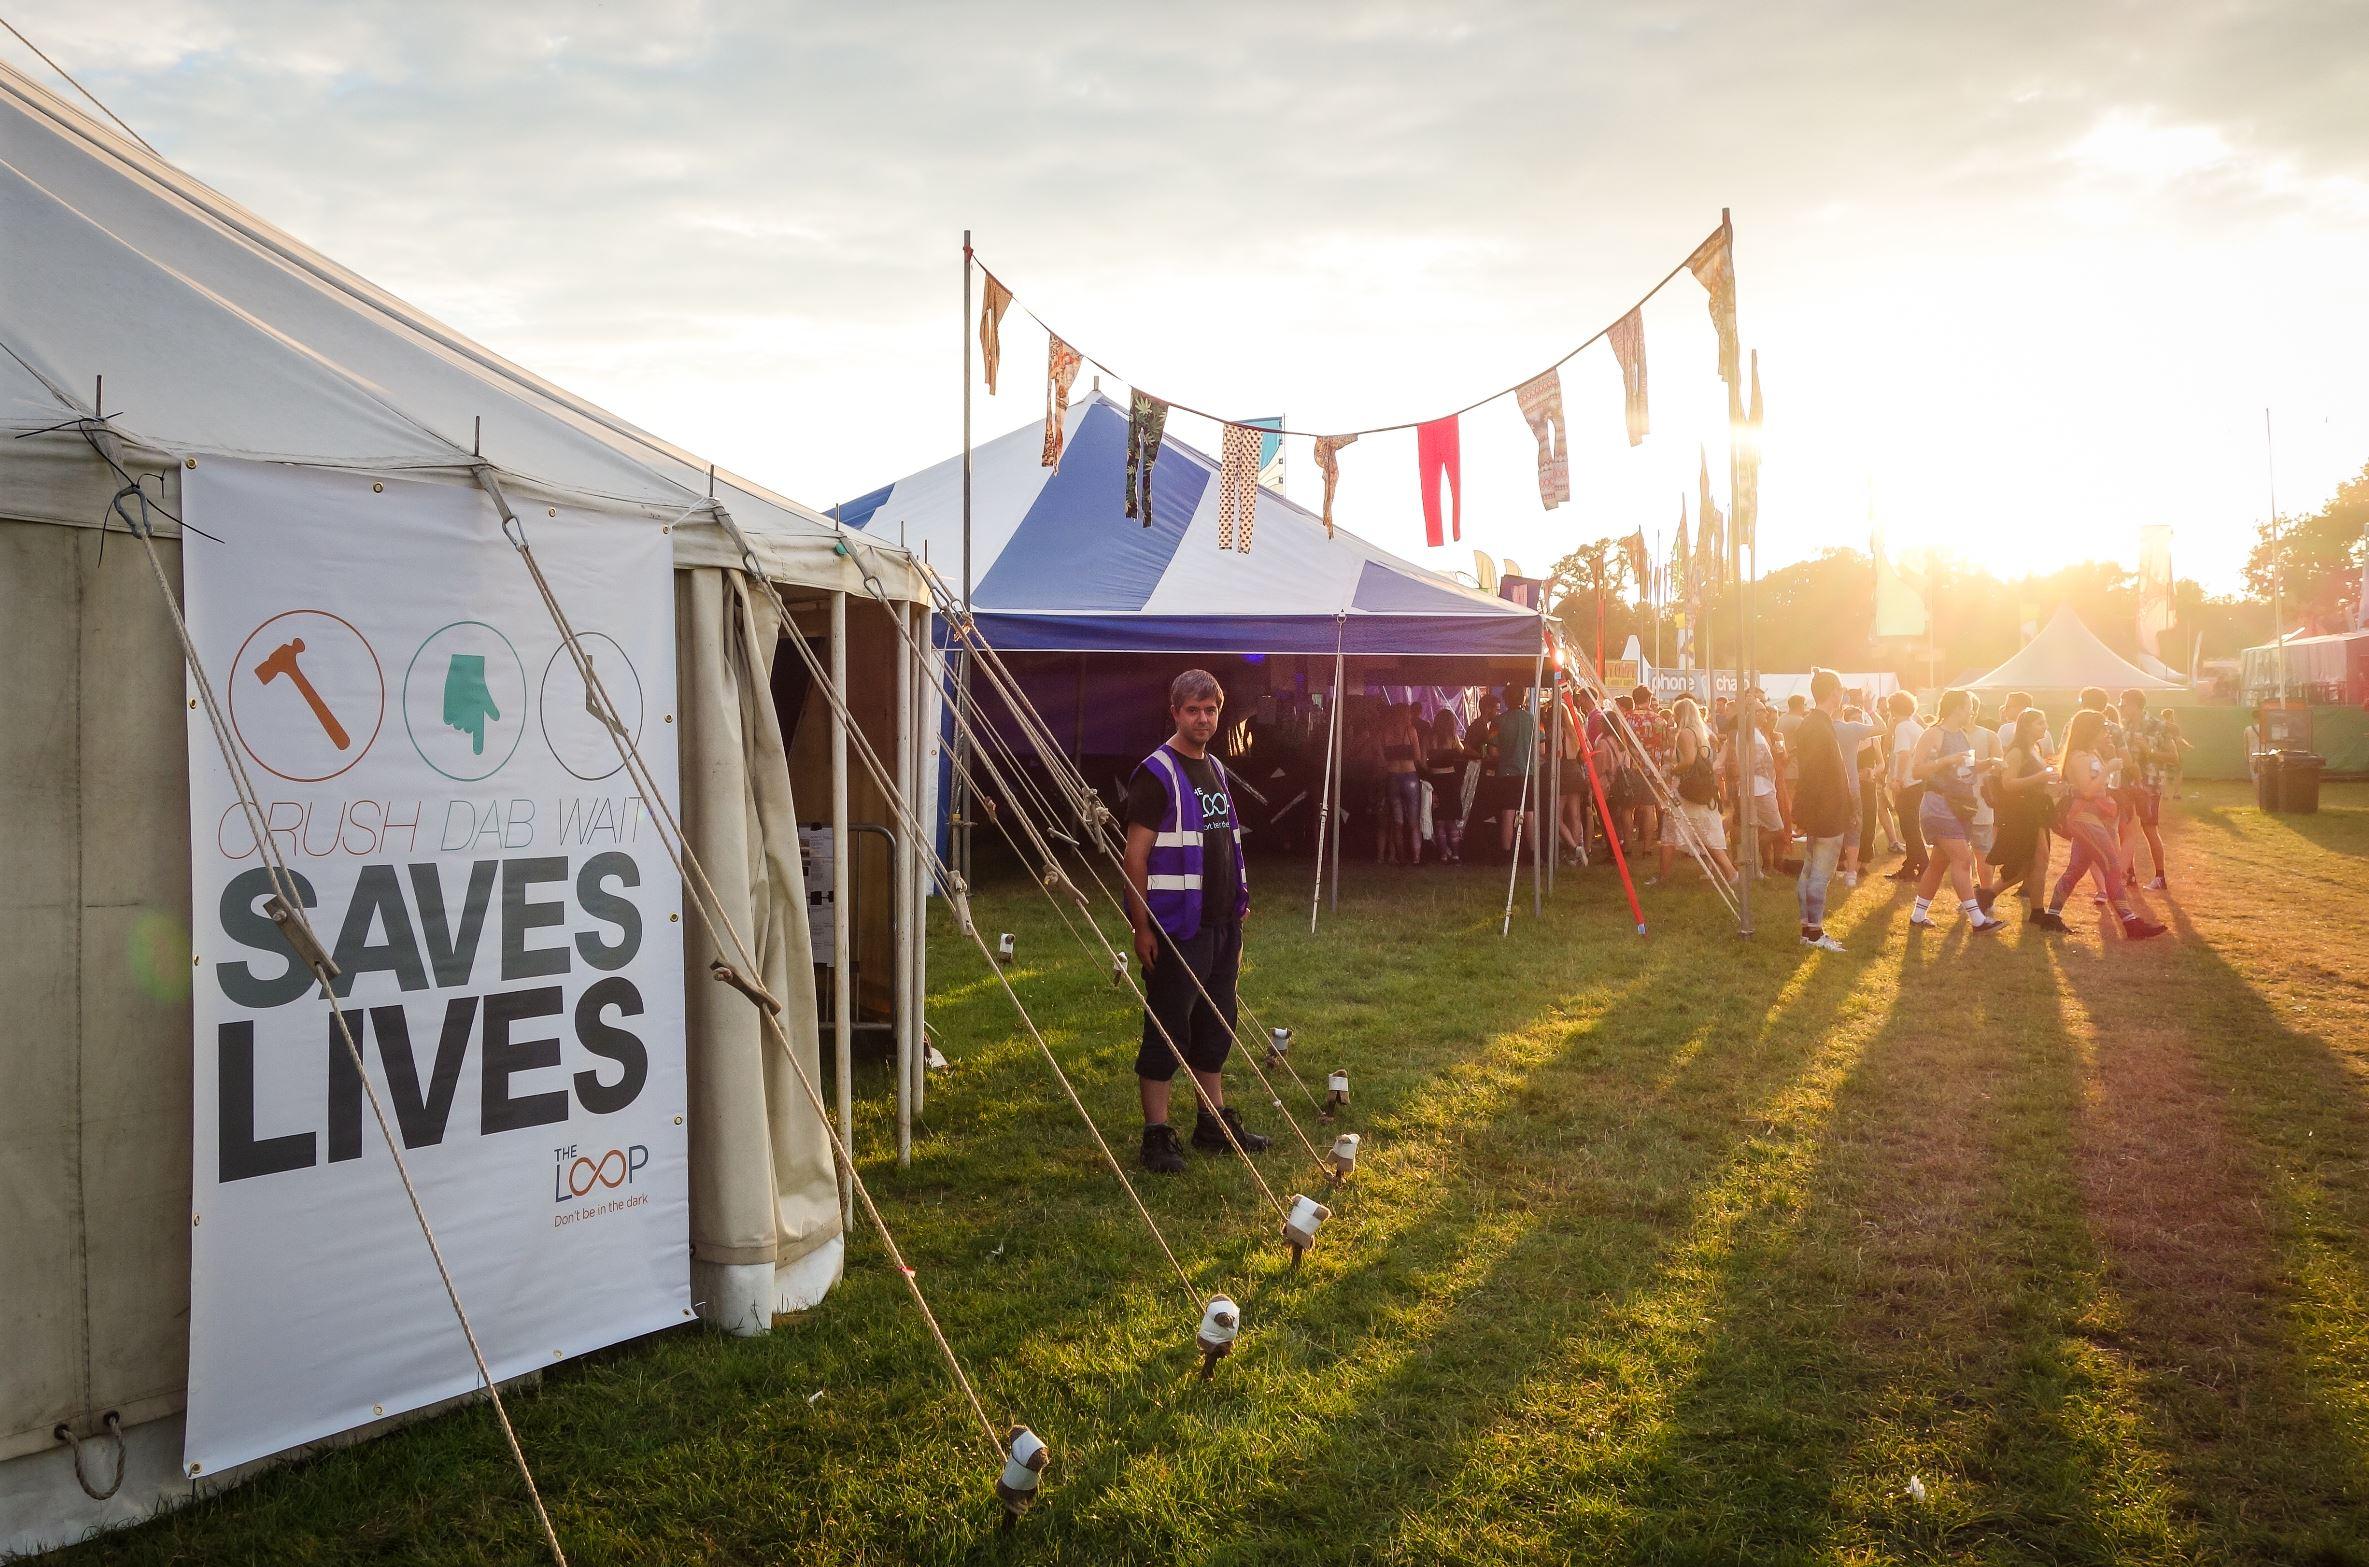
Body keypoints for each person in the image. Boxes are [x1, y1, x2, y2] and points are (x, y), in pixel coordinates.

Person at [1123, 669, 1271, 1173]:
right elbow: (1135, 856)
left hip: (1221, 923)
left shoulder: (1217, 771)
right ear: (1175, 713)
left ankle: (1213, 1122)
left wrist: (1238, 901)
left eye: (1210, 710)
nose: (1203, 719)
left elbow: (1227, 841)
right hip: (1175, 924)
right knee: (1168, 1027)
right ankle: (1156, 1134)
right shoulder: (1157, 773)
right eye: (1193, 710)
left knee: (1217, 1022)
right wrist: (1141, 927)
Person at [2040, 707, 2168, 940]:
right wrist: (2108, 768)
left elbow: (2099, 786)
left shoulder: (2092, 754)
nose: (2107, 733)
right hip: (2083, 818)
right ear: (2090, 731)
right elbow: (2088, 791)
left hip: (2095, 817)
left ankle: (2052, 916)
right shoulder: (2078, 757)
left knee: (2076, 868)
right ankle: (2130, 922)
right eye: (2103, 729)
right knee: (2112, 865)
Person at [1905, 688, 2007, 933]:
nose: (1971, 712)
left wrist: (1990, 764)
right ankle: (1978, 920)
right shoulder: (1933, 734)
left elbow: (1967, 770)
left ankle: (1918, 915)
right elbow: (1917, 771)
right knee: (1962, 859)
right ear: (1956, 708)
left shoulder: (1961, 735)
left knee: (1939, 863)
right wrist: (1946, 760)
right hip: (1938, 805)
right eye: (1968, 707)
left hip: (1961, 806)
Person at [1792, 669, 1855, 951]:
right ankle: (1814, 933)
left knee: (1810, 871)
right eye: (1841, 690)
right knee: (1819, 873)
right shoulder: (1817, 725)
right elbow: (1815, 774)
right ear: (1834, 692)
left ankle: (1808, 929)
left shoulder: (1814, 723)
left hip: (1821, 809)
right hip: (1826, 810)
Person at [1658, 695, 1739, 884]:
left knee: (1670, 833)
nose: (1673, 718)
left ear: (1681, 714)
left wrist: (1671, 768)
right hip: (1702, 790)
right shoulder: (1703, 733)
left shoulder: (1685, 733)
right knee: (1707, 836)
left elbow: (1688, 761)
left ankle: (1662, 877)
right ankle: (1731, 873)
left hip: (1687, 790)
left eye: (1675, 714)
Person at [1988, 707, 2057, 922]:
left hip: (2036, 810)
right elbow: (2007, 784)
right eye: (2040, 723)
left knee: (2032, 864)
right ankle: (2035, 912)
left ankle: (1989, 896)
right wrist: (2039, 778)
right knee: (2034, 861)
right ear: (2026, 726)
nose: (2045, 726)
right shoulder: (2017, 751)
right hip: (2022, 812)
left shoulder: (2035, 748)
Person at [2117, 689, 2171, 891]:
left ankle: (2160, 876)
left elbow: (2173, 756)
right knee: (2125, 827)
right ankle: (2128, 874)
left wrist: (2150, 751)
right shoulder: (2124, 728)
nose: (2121, 708)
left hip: (2150, 783)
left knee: (2149, 828)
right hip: (2128, 783)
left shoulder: (2159, 726)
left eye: (2124, 704)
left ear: (2136, 705)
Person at [1834, 703, 1882, 888]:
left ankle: (1862, 861)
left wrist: (1872, 772)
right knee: (1846, 823)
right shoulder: (1844, 738)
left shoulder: (1872, 740)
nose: (1858, 723)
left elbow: (1881, 764)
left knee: (1867, 822)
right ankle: (1842, 862)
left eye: (1860, 719)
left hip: (1867, 785)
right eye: (1854, 719)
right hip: (1848, 786)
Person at [1377, 701, 1429, 866]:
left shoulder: (1384, 732)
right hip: (1410, 776)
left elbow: (1380, 757)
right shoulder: (1410, 730)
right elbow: (1417, 756)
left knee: (1397, 820)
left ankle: (1401, 858)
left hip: (1393, 776)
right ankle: (1416, 858)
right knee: (1413, 821)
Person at [1885, 690, 1928, 882]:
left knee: (1909, 828)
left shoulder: (1902, 727)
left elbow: (1902, 755)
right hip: (1918, 782)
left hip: (1908, 783)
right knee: (1911, 827)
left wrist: (1897, 779)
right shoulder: (1915, 726)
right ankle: (1911, 865)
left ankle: (1923, 864)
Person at [1491, 686, 1539, 858]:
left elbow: (1493, 752)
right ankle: (1533, 852)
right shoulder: (1535, 720)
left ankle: (1505, 853)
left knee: (1508, 812)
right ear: (1523, 698)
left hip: (1506, 773)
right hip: (1528, 772)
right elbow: (1541, 749)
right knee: (1529, 813)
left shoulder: (1497, 722)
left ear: (1505, 699)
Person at [1423, 708, 1468, 863]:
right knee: (1451, 820)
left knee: (1439, 820)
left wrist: (1429, 770)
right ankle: (1456, 855)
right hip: (1450, 780)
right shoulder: (1452, 738)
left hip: (1435, 780)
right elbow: (1464, 753)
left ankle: (1443, 855)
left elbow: (1421, 761)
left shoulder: (1428, 738)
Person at [2161, 710, 2193, 798]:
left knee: (2163, 773)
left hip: (2161, 752)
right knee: (2178, 772)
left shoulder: (2160, 725)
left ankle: (2164, 794)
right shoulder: (2174, 727)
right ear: (2171, 715)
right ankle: (2176, 793)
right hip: (2173, 752)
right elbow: (2179, 739)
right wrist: (2188, 745)